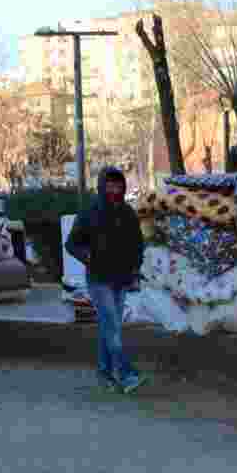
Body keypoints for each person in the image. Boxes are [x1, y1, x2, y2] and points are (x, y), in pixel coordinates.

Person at [65, 166, 146, 393]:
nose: (114, 188)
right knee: (112, 327)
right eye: (109, 184)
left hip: (121, 279)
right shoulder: (90, 211)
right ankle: (127, 374)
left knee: (109, 328)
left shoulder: (128, 213)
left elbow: (137, 245)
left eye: (117, 184)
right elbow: (71, 243)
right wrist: (87, 257)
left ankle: (105, 373)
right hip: (99, 279)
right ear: (101, 186)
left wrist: (135, 270)